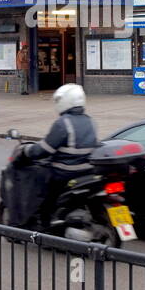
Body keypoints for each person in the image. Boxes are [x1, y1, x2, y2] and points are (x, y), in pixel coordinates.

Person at [24, 83, 98, 227]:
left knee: (45, 196)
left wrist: (28, 150)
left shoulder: (63, 123)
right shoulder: (91, 121)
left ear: (66, 101)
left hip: (65, 173)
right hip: (87, 172)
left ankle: (45, 228)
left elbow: (44, 149)